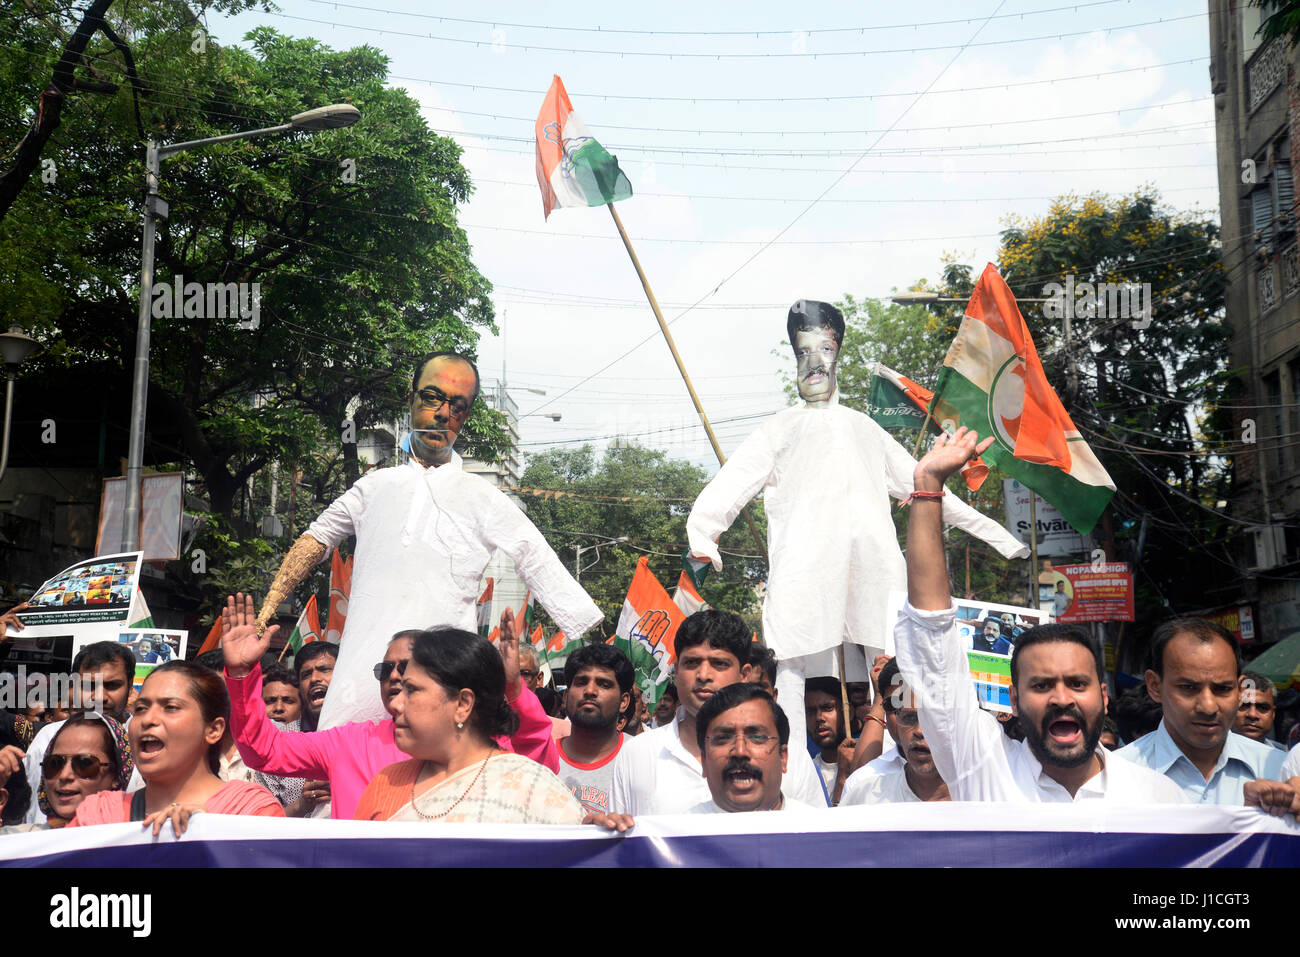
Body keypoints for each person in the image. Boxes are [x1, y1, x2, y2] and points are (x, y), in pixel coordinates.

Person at [686, 300, 1028, 743]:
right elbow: (730, 484)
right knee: (791, 664)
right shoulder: (779, 429)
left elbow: (925, 486)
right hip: (804, 569)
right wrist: (703, 533)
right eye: (804, 350)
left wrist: (999, 536)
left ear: (836, 354)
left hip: (874, 569)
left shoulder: (865, 429)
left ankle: (892, 754)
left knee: (890, 663)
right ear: (795, 356)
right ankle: (791, 772)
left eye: (824, 348)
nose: (815, 361)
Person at [253, 351, 603, 731]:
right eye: (432, 397)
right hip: (361, 686)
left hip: (445, 688)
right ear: (411, 397)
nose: (442, 414)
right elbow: (316, 539)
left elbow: (535, 555)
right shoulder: (373, 487)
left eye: (457, 406)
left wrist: (590, 633)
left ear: (465, 417)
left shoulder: (481, 496)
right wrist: (267, 609)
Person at [893, 427, 1188, 804]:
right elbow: (932, 633)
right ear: (1014, 700)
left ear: (1103, 696)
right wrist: (928, 484)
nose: (1061, 699)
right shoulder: (982, 768)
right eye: (1042, 686)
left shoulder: (1158, 799)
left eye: (1077, 684)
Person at [221, 593, 558, 819]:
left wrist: (513, 688)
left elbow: (539, 757)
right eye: (387, 669)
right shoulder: (351, 744)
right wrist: (240, 674)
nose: (396, 677)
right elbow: (263, 749)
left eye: (409, 670)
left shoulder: (485, 752)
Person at [353, 628, 585, 824]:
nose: (396, 703)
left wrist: (601, 837)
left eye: (412, 690)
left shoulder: (532, 788)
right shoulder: (386, 783)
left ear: (463, 703)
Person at [609, 609, 826, 815]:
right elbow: (621, 849)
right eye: (692, 662)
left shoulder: (791, 756)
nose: (703, 675)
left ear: (744, 674)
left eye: (719, 663)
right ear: (676, 671)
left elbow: (818, 841)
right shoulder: (637, 754)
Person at [70, 661, 283, 834]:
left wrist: (209, 835)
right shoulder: (98, 816)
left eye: (170, 707)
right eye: (141, 708)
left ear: (213, 729)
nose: (148, 719)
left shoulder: (251, 812)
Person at [1116, 619, 1292, 807]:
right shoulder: (1116, 778)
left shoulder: (1281, 772)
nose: (1208, 707)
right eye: (1188, 688)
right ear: (1155, 686)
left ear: (1240, 691)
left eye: (1223, 688)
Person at [21, 640, 137, 825]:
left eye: (112, 685)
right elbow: (30, 806)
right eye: (89, 685)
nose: (99, 696)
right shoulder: (48, 737)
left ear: (130, 686)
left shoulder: (144, 741)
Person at [690, 683, 816, 813]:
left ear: (783, 757)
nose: (740, 751)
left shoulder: (818, 828)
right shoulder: (677, 830)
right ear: (704, 760)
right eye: (724, 738)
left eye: (757, 737)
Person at [840, 661, 949, 805]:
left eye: (932, 719)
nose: (919, 731)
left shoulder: (983, 794)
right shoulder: (866, 795)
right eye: (909, 718)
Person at [556, 643, 631, 816]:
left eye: (604, 684)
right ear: (566, 697)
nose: (590, 691)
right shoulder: (542, 760)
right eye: (581, 682)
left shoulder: (641, 759)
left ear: (623, 702)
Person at [34, 713, 133, 828]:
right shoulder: (21, 840)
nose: (64, 775)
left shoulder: (144, 836)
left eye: (84, 764)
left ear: (116, 776)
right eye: (54, 764)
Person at [805, 676, 851, 805]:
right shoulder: (808, 773)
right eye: (811, 711)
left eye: (828, 708)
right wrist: (842, 776)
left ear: (848, 712)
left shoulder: (868, 760)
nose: (819, 718)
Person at [293, 641, 338, 732]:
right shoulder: (285, 737)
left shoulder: (365, 732)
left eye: (324, 670)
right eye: (306, 674)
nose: (314, 679)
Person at [1235, 671, 1285, 750]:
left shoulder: (1284, 757)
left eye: (1262, 707)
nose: (1252, 715)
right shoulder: (1210, 755)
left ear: (1273, 714)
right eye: (1243, 705)